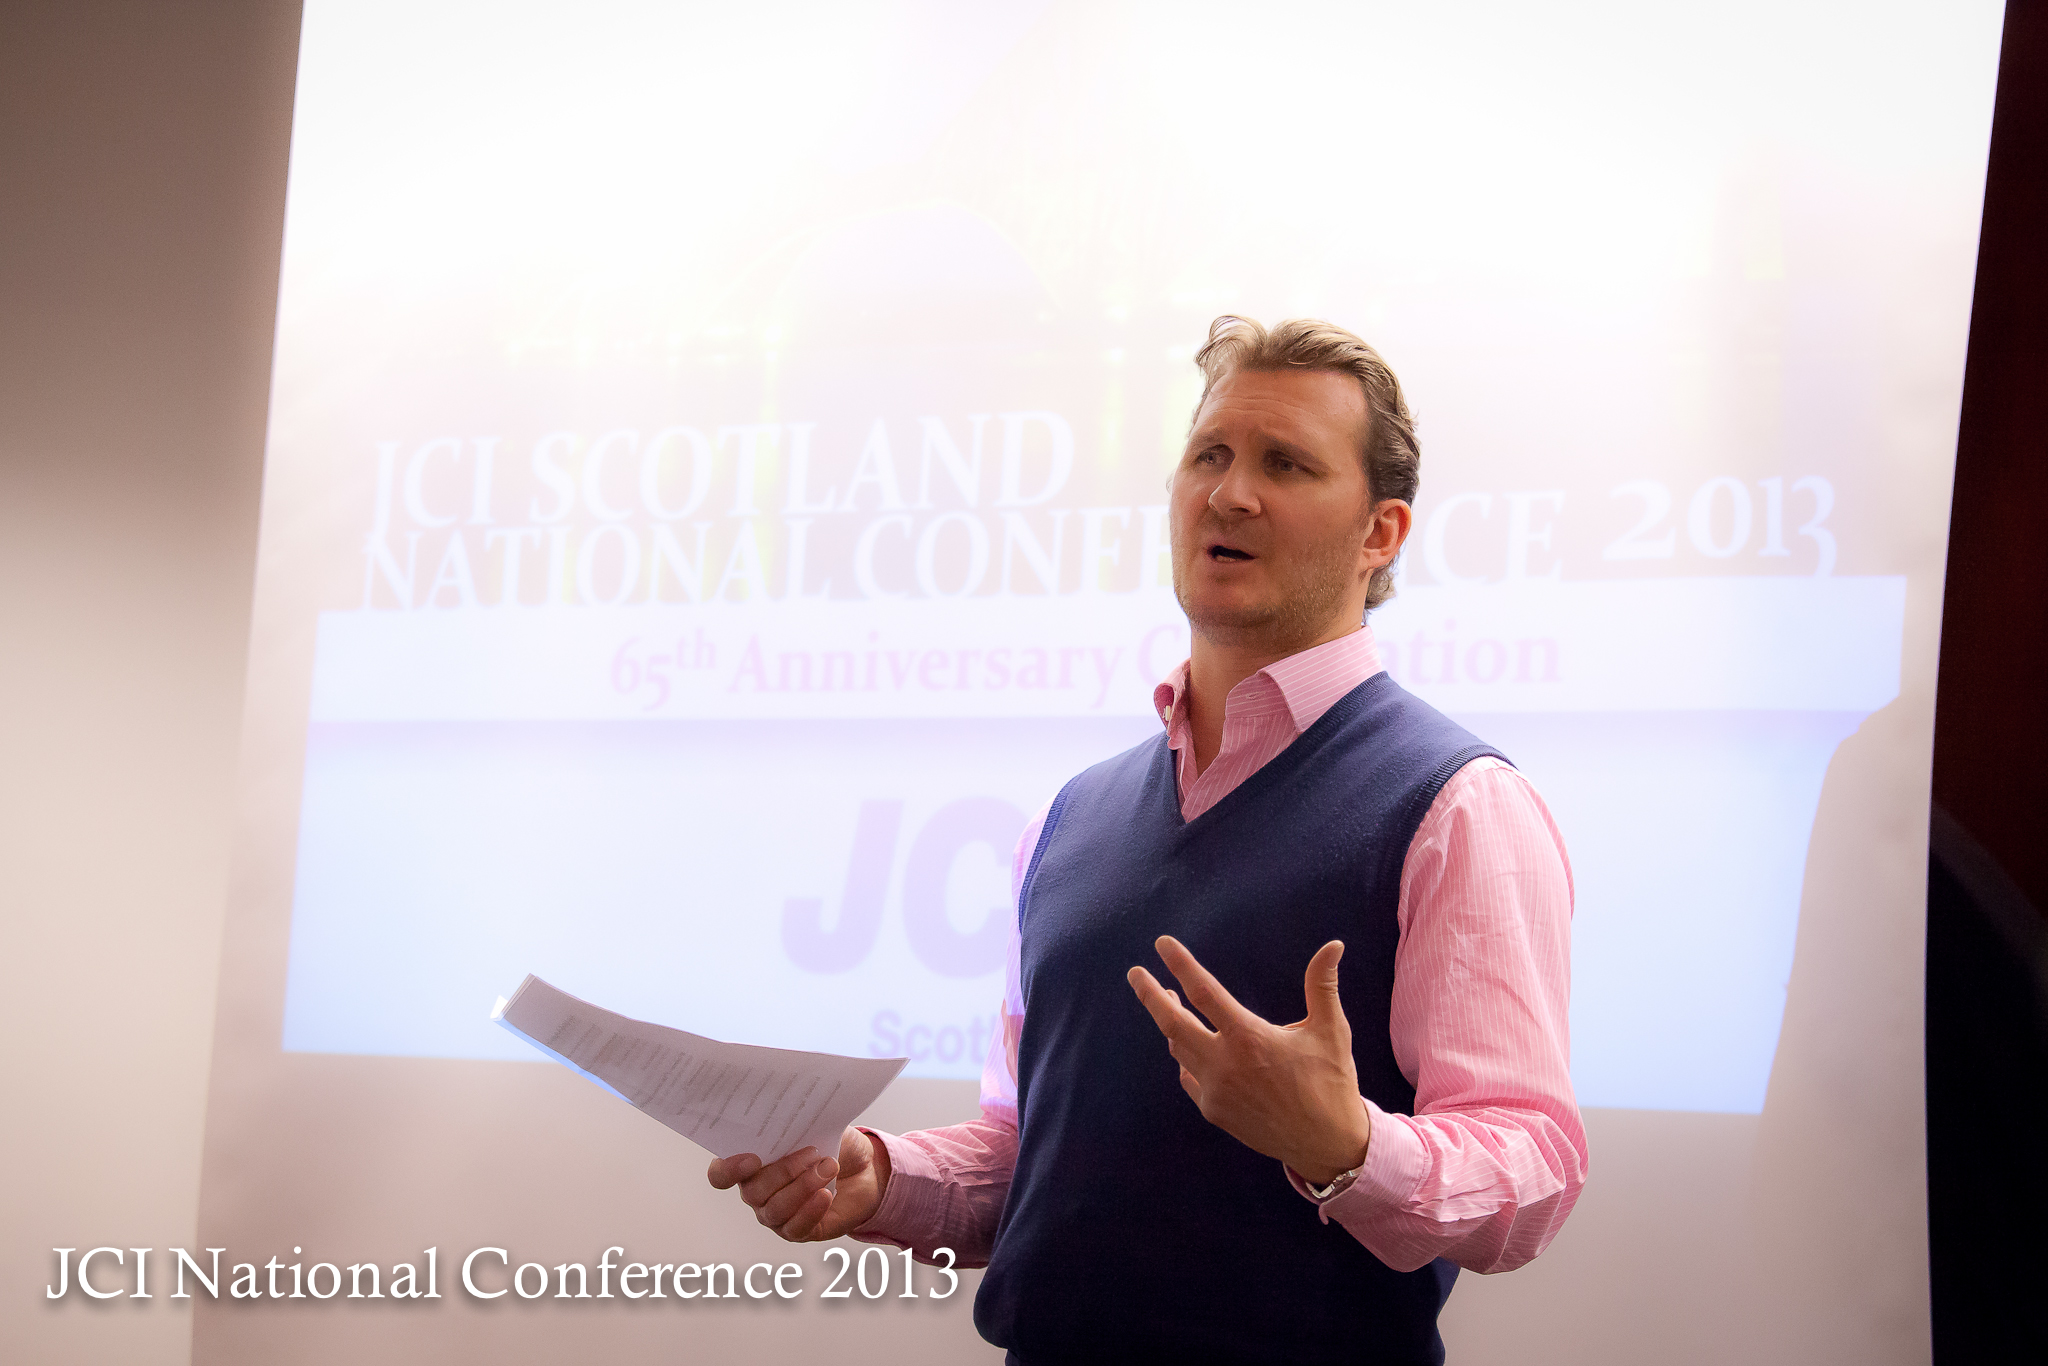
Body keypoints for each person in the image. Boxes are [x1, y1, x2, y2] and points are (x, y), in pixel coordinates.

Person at [708, 317, 1587, 1364]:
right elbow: (1026, 1156)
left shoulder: (1458, 806)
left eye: (1286, 464)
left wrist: (1345, 1144)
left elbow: (1530, 1167)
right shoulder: (1069, 819)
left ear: (1379, 533)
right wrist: (881, 1179)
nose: (1230, 493)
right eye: (1209, 455)